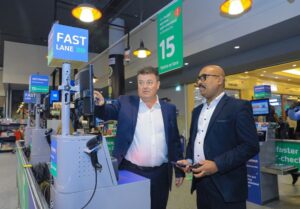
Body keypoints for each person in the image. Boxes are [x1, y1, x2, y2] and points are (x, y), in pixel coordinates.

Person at [94, 67, 184, 209]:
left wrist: (179, 170)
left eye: (149, 82)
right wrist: (101, 105)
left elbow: (174, 141)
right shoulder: (125, 103)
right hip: (131, 171)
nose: (145, 86)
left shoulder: (169, 109)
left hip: (160, 174)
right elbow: (107, 112)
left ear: (158, 85)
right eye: (141, 82)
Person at [177, 65, 259, 209]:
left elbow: (250, 146)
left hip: (227, 186)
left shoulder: (238, 107)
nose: (199, 82)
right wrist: (189, 160)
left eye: (204, 77)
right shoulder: (196, 111)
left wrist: (217, 165)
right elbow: (194, 141)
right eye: (198, 79)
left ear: (219, 80)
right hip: (201, 183)